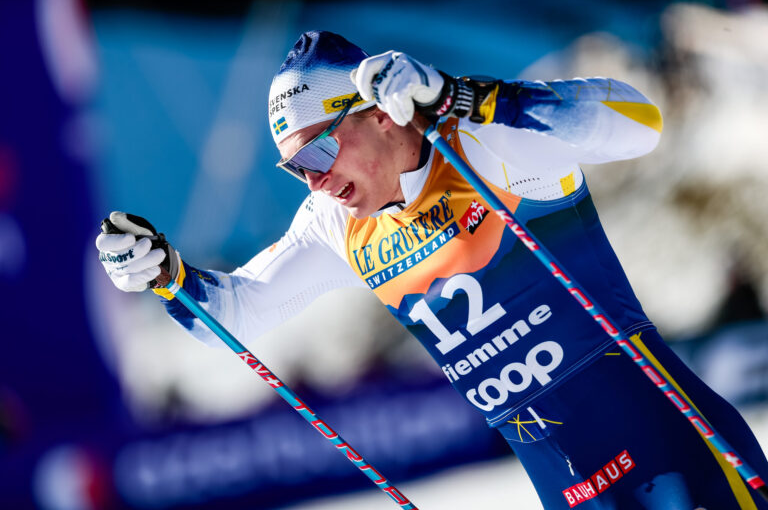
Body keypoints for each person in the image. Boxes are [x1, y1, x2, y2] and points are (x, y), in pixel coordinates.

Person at [96, 31, 768, 509]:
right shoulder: (336, 226)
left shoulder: (481, 143)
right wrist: (166, 276)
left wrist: (464, 96)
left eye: (321, 150)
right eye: (296, 168)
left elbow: (639, 122)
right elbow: (233, 315)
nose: (316, 179)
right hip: (572, 491)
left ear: (379, 118)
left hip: (676, 451)